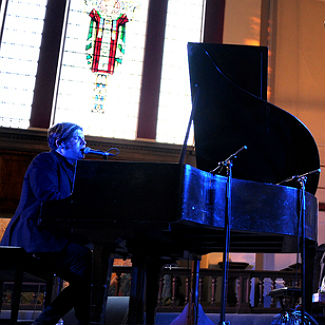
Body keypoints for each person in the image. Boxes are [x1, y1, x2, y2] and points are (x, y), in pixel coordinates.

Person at [1, 122, 92, 325]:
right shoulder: (45, 161)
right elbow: (48, 196)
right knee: (84, 263)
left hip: (51, 237)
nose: (84, 142)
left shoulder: (74, 170)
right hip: (32, 235)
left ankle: (53, 321)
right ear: (60, 143)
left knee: (86, 276)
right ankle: (50, 321)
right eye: (78, 138)